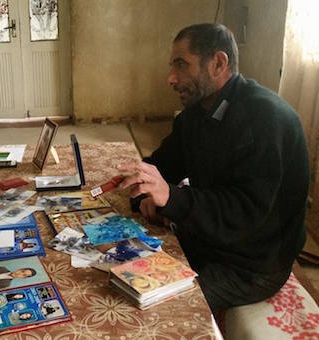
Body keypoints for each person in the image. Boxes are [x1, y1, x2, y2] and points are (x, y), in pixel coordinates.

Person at [119, 23, 309, 313]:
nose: (171, 78)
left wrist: (171, 198)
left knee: (153, 309)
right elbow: (164, 164)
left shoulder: (266, 120)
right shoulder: (197, 113)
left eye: (181, 65)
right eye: (172, 66)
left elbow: (244, 213)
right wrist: (141, 186)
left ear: (218, 63)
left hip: (251, 265)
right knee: (114, 262)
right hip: (212, 240)